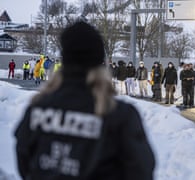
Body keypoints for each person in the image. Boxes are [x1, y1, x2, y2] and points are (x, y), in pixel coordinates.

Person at [15, 21, 155, 180]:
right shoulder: (118, 115)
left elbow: (24, 162)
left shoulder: (38, 108)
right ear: (99, 64)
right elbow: (141, 170)